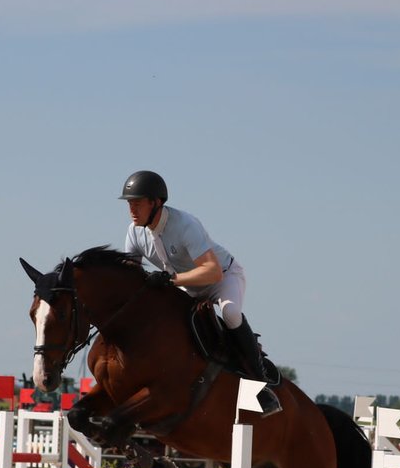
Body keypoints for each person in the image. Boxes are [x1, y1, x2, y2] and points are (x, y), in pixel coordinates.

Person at [119, 169, 280, 415]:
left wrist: (171, 280)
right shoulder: (134, 232)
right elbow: (131, 276)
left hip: (223, 277)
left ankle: (262, 388)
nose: (132, 209)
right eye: (130, 203)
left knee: (231, 314)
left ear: (156, 202)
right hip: (187, 285)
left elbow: (212, 271)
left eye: (137, 203)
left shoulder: (185, 224)